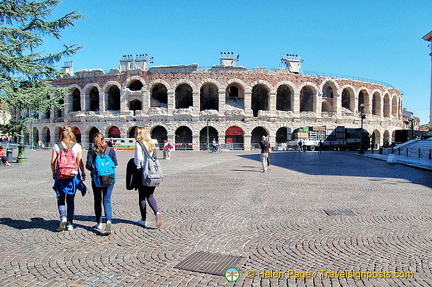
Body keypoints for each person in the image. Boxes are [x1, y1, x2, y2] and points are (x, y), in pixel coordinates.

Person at [51, 126, 86, 231]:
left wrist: (54, 173)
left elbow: (52, 163)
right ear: (72, 134)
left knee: (60, 198)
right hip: (73, 175)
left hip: (60, 175)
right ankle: (70, 223)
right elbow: (80, 161)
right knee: (70, 200)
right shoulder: (77, 146)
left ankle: (63, 218)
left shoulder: (57, 146)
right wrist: (83, 173)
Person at [86, 133, 118, 235]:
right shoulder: (110, 150)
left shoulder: (92, 150)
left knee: (97, 200)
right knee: (107, 200)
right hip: (109, 179)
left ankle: (99, 223)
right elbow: (115, 164)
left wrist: (96, 169)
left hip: (97, 179)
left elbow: (88, 165)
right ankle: (108, 220)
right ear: (104, 140)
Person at [134, 127, 162, 228]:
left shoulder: (139, 144)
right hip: (153, 173)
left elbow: (138, 161)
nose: (134, 135)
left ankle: (143, 220)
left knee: (142, 196)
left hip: (143, 173)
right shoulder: (151, 143)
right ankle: (157, 212)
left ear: (140, 135)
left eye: (136, 133)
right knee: (150, 195)